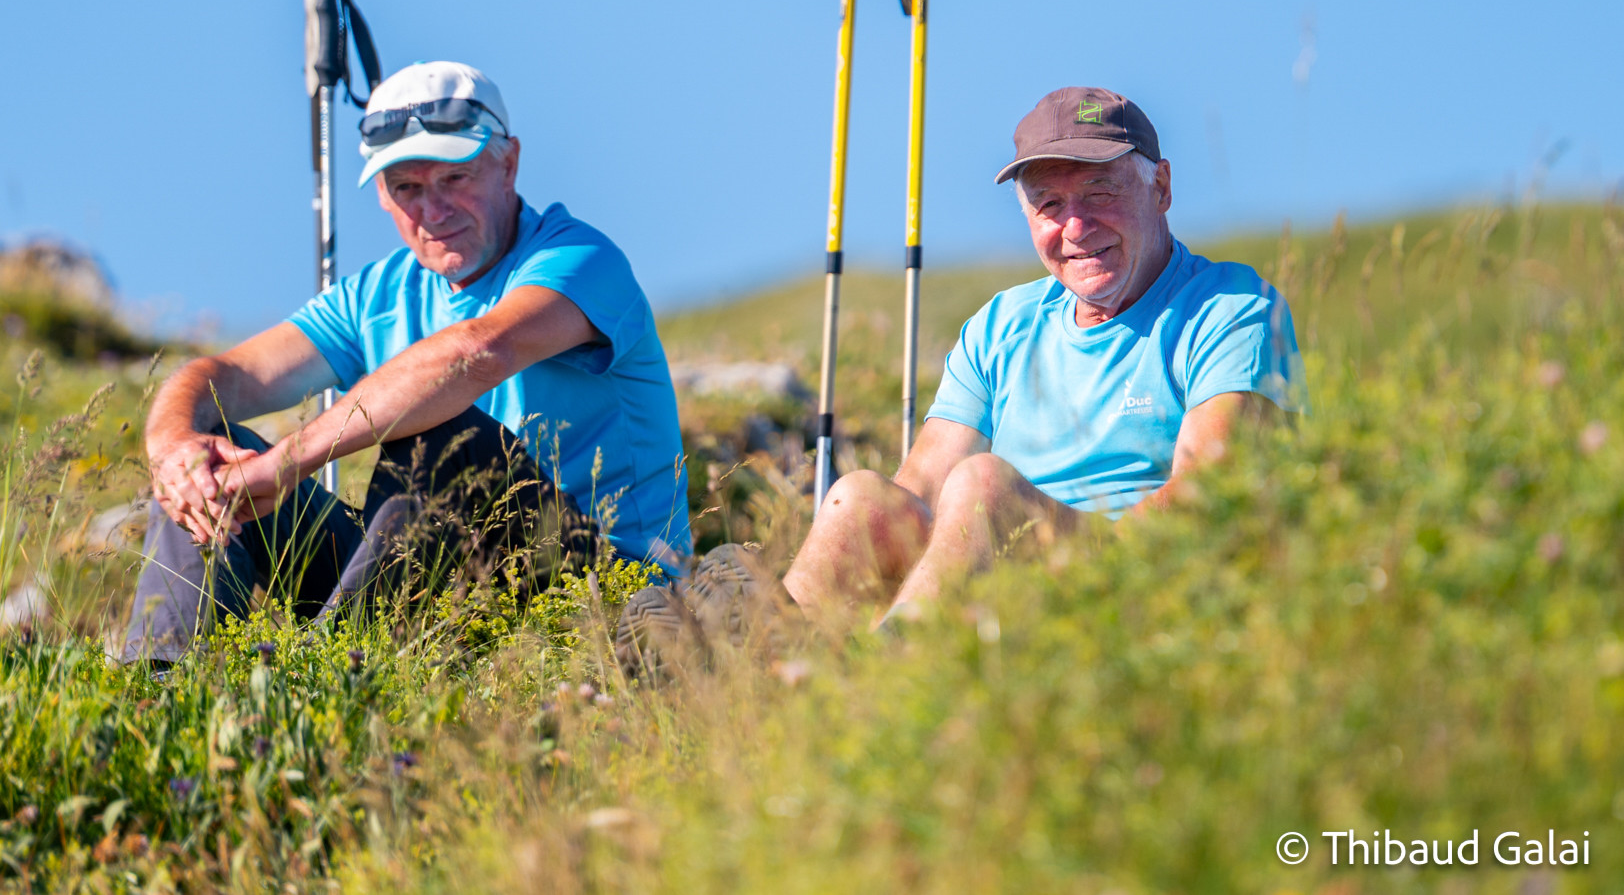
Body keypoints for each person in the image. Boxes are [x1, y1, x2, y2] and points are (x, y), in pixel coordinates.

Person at [124, 61, 691, 661]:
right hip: (423, 584)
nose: (434, 209)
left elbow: (475, 352)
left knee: (442, 426)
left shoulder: (580, 258)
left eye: (456, 176)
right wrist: (174, 450)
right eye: (408, 189)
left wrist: (285, 465)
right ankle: (158, 687)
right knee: (213, 448)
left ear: (510, 163)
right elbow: (230, 376)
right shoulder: (376, 293)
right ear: (382, 196)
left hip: (598, 590)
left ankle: (324, 679)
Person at [782, 86, 1302, 620]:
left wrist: (1043, 548)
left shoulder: (1231, 309)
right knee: (861, 499)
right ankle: (777, 655)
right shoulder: (1000, 326)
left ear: (1161, 187)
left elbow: (1208, 493)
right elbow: (918, 492)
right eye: (1050, 204)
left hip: (1136, 585)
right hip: (992, 579)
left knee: (983, 486)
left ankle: (894, 672)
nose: (1075, 227)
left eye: (1100, 192)